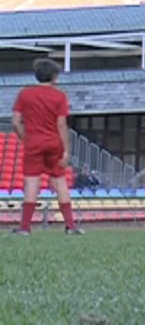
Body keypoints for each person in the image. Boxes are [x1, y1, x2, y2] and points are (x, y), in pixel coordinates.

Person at [10, 58, 83, 235]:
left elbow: (15, 122)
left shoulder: (25, 94)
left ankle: (25, 228)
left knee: (32, 183)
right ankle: (70, 226)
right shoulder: (60, 96)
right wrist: (66, 150)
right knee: (60, 182)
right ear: (55, 76)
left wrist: (25, 137)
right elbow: (61, 124)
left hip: (33, 142)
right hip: (53, 143)